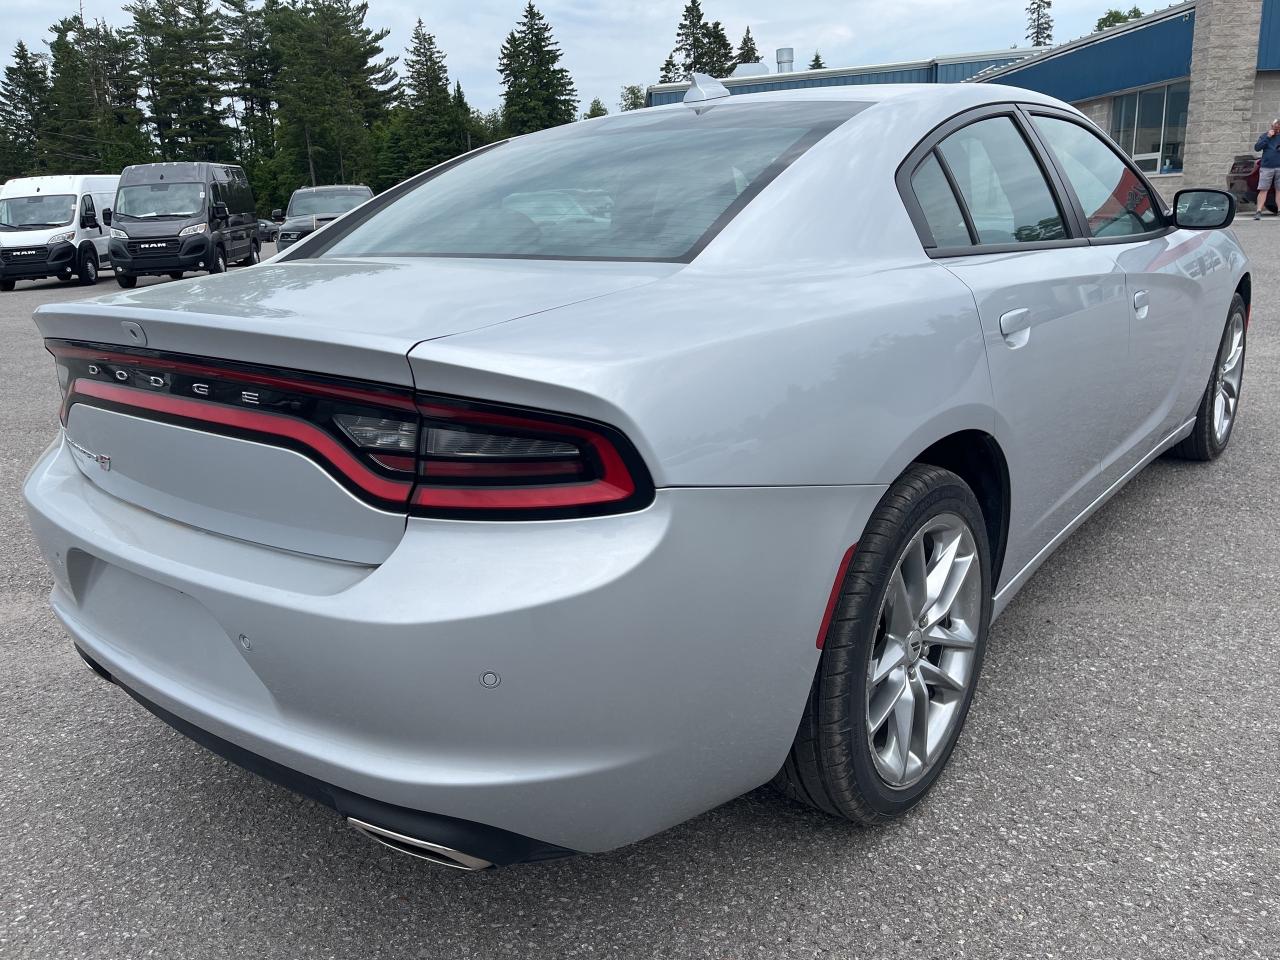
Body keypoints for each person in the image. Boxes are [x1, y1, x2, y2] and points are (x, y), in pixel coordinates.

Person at [1254, 120, 1280, 219]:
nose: (1276, 129)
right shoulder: (1265, 136)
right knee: (1263, 189)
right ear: (1271, 126)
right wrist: (1267, 137)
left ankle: (1279, 211)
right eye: (1274, 126)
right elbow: (1257, 147)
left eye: (1278, 127)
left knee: (1279, 190)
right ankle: (1258, 211)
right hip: (1267, 167)